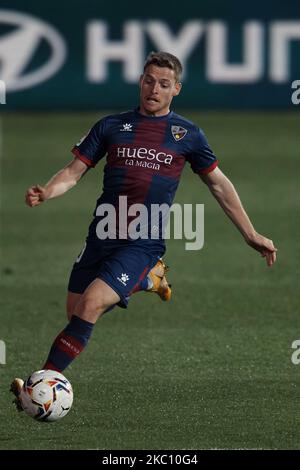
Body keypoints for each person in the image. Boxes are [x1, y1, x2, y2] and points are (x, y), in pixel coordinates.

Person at [11, 51, 277, 409]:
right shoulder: (110, 126)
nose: (154, 88)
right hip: (102, 235)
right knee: (75, 313)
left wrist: (251, 234)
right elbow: (73, 172)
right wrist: (47, 191)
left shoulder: (188, 135)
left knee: (90, 305)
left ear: (176, 89)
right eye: (149, 80)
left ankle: (38, 388)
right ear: (141, 81)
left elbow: (219, 185)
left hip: (143, 241)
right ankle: (149, 280)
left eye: (164, 84)